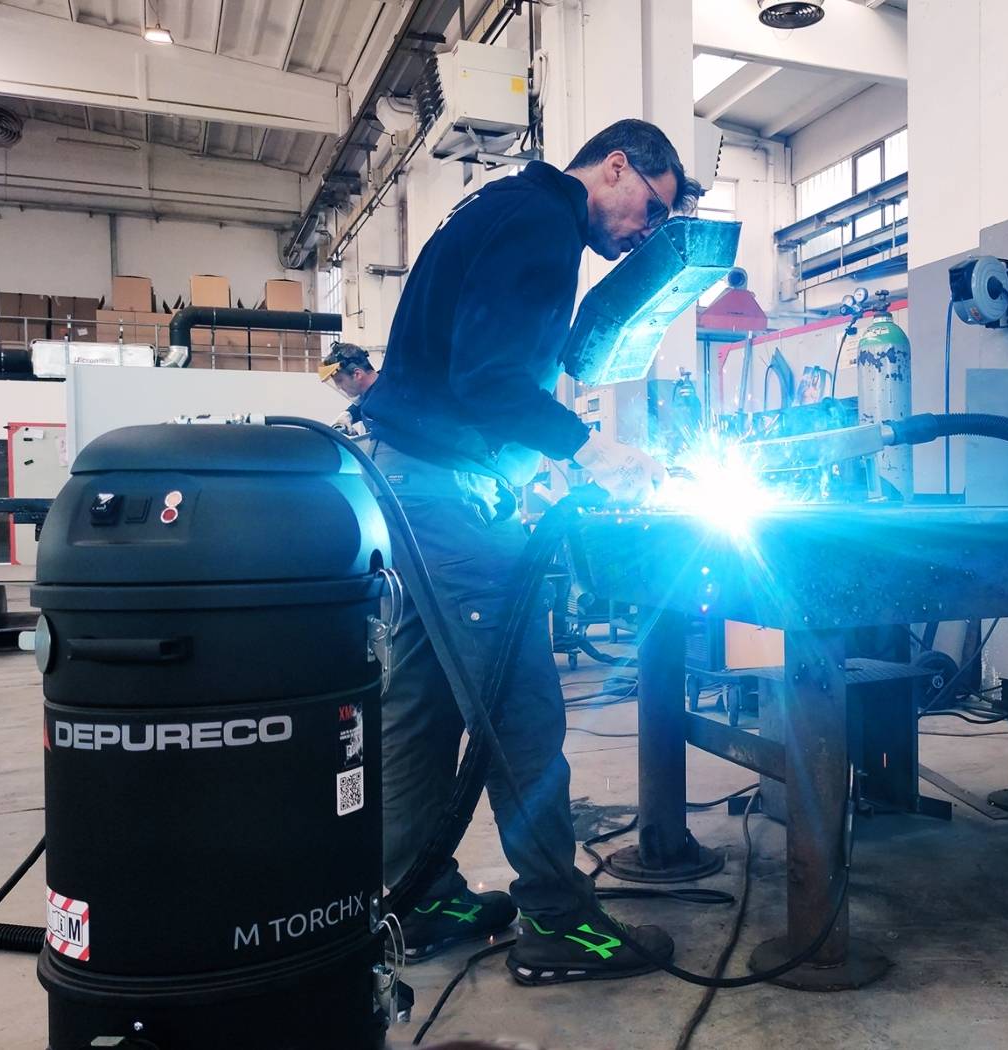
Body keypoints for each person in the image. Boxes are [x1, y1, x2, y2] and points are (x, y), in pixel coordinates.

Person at [359, 119, 702, 981]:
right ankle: (558, 917)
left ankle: (415, 899)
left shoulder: (509, 209)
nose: (646, 234)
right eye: (652, 211)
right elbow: (487, 381)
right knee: (519, 702)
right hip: (443, 493)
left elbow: (476, 372)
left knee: (420, 702)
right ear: (616, 167)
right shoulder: (543, 224)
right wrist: (592, 450)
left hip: (410, 483)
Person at [318, 342, 378, 435]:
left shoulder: (391, 396)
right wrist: (348, 414)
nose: (339, 387)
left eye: (340, 380)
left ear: (357, 374)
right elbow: (361, 404)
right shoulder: (371, 396)